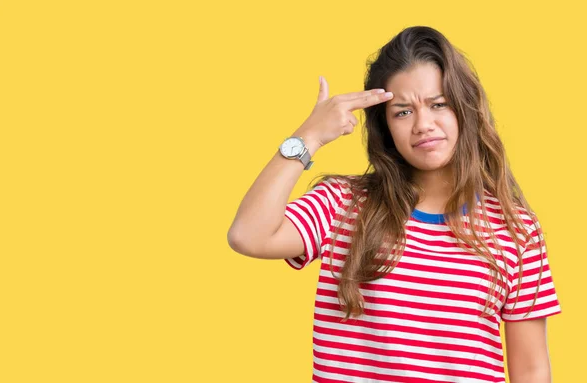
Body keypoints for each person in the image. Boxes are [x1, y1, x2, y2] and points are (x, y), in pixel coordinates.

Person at [227, 26, 562, 383]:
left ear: (466, 110)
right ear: (385, 127)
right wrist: (307, 136)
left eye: (439, 104)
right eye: (402, 112)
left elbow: (531, 368)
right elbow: (249, 235)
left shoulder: (516, 228)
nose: (423, 125)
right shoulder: (343, 204)